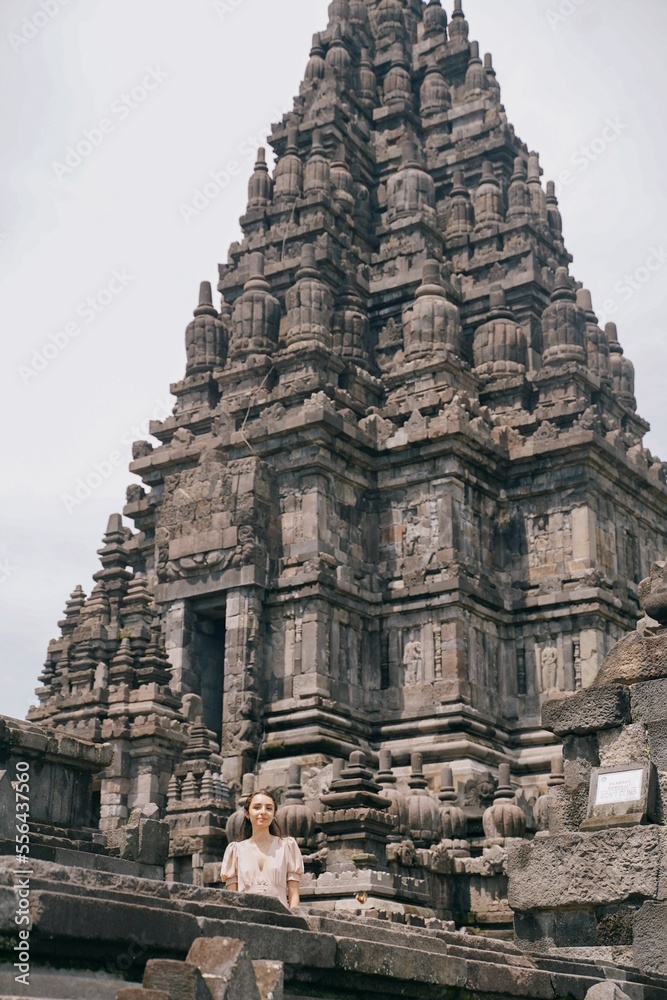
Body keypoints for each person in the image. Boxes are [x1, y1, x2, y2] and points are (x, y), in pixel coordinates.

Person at [220, 789, 304, 909]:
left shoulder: (287, 846)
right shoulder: (235, 850)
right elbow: (232, 899)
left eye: (269, 808)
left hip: (281, 919)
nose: (263, 812)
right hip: (246, 921)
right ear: (247, 813)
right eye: (257, 807)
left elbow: (294, 897)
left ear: (274, 814)